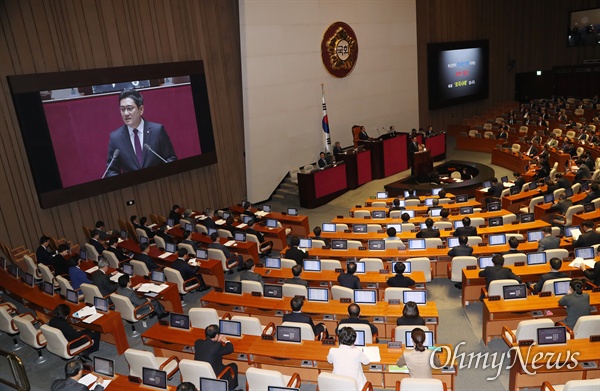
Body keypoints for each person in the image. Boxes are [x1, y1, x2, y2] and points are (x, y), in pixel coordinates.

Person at [105, 89, 177, 177]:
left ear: (141, 109)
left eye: (129, 108)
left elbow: (171, 159)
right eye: (122, 109)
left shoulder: (157, 131)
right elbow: (111, 171)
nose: (126, 113)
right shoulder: (116, 138)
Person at [194, 324, 238, 390]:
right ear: (217, 335)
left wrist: (215, 340)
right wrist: (226, 341)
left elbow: (208, 345)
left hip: (200, 372)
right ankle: (231, 389)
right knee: (233, 366)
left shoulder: (197, 342)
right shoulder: (217, 346)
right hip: (215, 375)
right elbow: (230, 349)